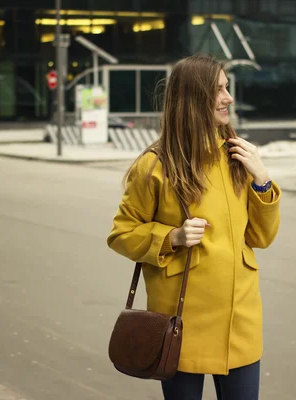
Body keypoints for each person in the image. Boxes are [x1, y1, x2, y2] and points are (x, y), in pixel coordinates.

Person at [107, 54, 281, 400]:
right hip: (181, 325)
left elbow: (261, 237)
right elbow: (122, 233)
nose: (229, 98)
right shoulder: (154, 166)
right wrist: (171, 237)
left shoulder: (237, 157)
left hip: (239, 324)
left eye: (227, 88)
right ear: (193, 97)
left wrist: (262, 180)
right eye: (219, 90)